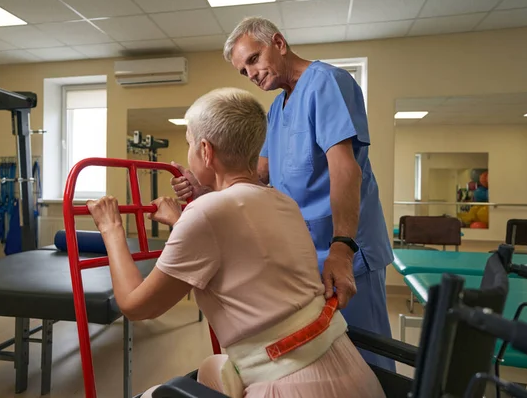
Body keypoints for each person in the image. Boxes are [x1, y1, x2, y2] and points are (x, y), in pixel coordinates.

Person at [87, 88, 385, 397]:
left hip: (293, 386)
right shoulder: (283, 202)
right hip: (351, 373)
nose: (189, 151)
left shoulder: (207, 213)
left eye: (189, 142)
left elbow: (137, 307)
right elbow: (239, 249)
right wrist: (180, 222)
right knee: (211, 368)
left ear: (205, 150)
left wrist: (111, 229)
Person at [170, 16, 395, 372]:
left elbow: (344, 168)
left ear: (278, 43)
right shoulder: (277, 109)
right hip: (308, 255)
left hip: (348, 249)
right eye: (244, 72)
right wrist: (205, 185)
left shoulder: (327, 82)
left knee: (367, 362)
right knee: (328, 360)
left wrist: (341, 248)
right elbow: (257, 176)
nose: (252, 74)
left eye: (254, 59)